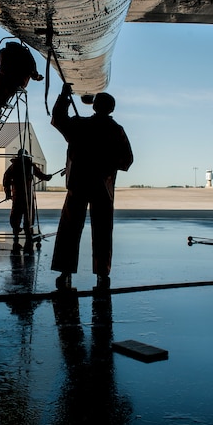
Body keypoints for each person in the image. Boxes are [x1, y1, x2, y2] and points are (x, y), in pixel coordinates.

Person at [51, 85, 133, 292]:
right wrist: (106, 163)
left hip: (78, 184)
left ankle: (65, 271)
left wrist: (64, 97)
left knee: (69, 229)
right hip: (102, 187)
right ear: (111, 109)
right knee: (103, 230)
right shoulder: (116, 131)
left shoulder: (79, 125)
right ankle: (102, 274)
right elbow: (127, 160)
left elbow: (58, 118)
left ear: (95, 105)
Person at [3, 149, 52, 246]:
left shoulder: (14, 166)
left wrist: (8, 193)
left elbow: (6, 180)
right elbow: (40, 175)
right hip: (25, 196)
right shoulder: (29, 166)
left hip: (18, 195)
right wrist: (46, 177)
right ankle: (27, 232)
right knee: (27, 214)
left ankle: (17, 232)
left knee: (17, 214)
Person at [0, 42, 44, 122]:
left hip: (3, 77)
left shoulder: (4, 52)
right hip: (17, 81)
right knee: (3, 94)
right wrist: (37, 77)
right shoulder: (27, 56)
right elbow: (32, 71)